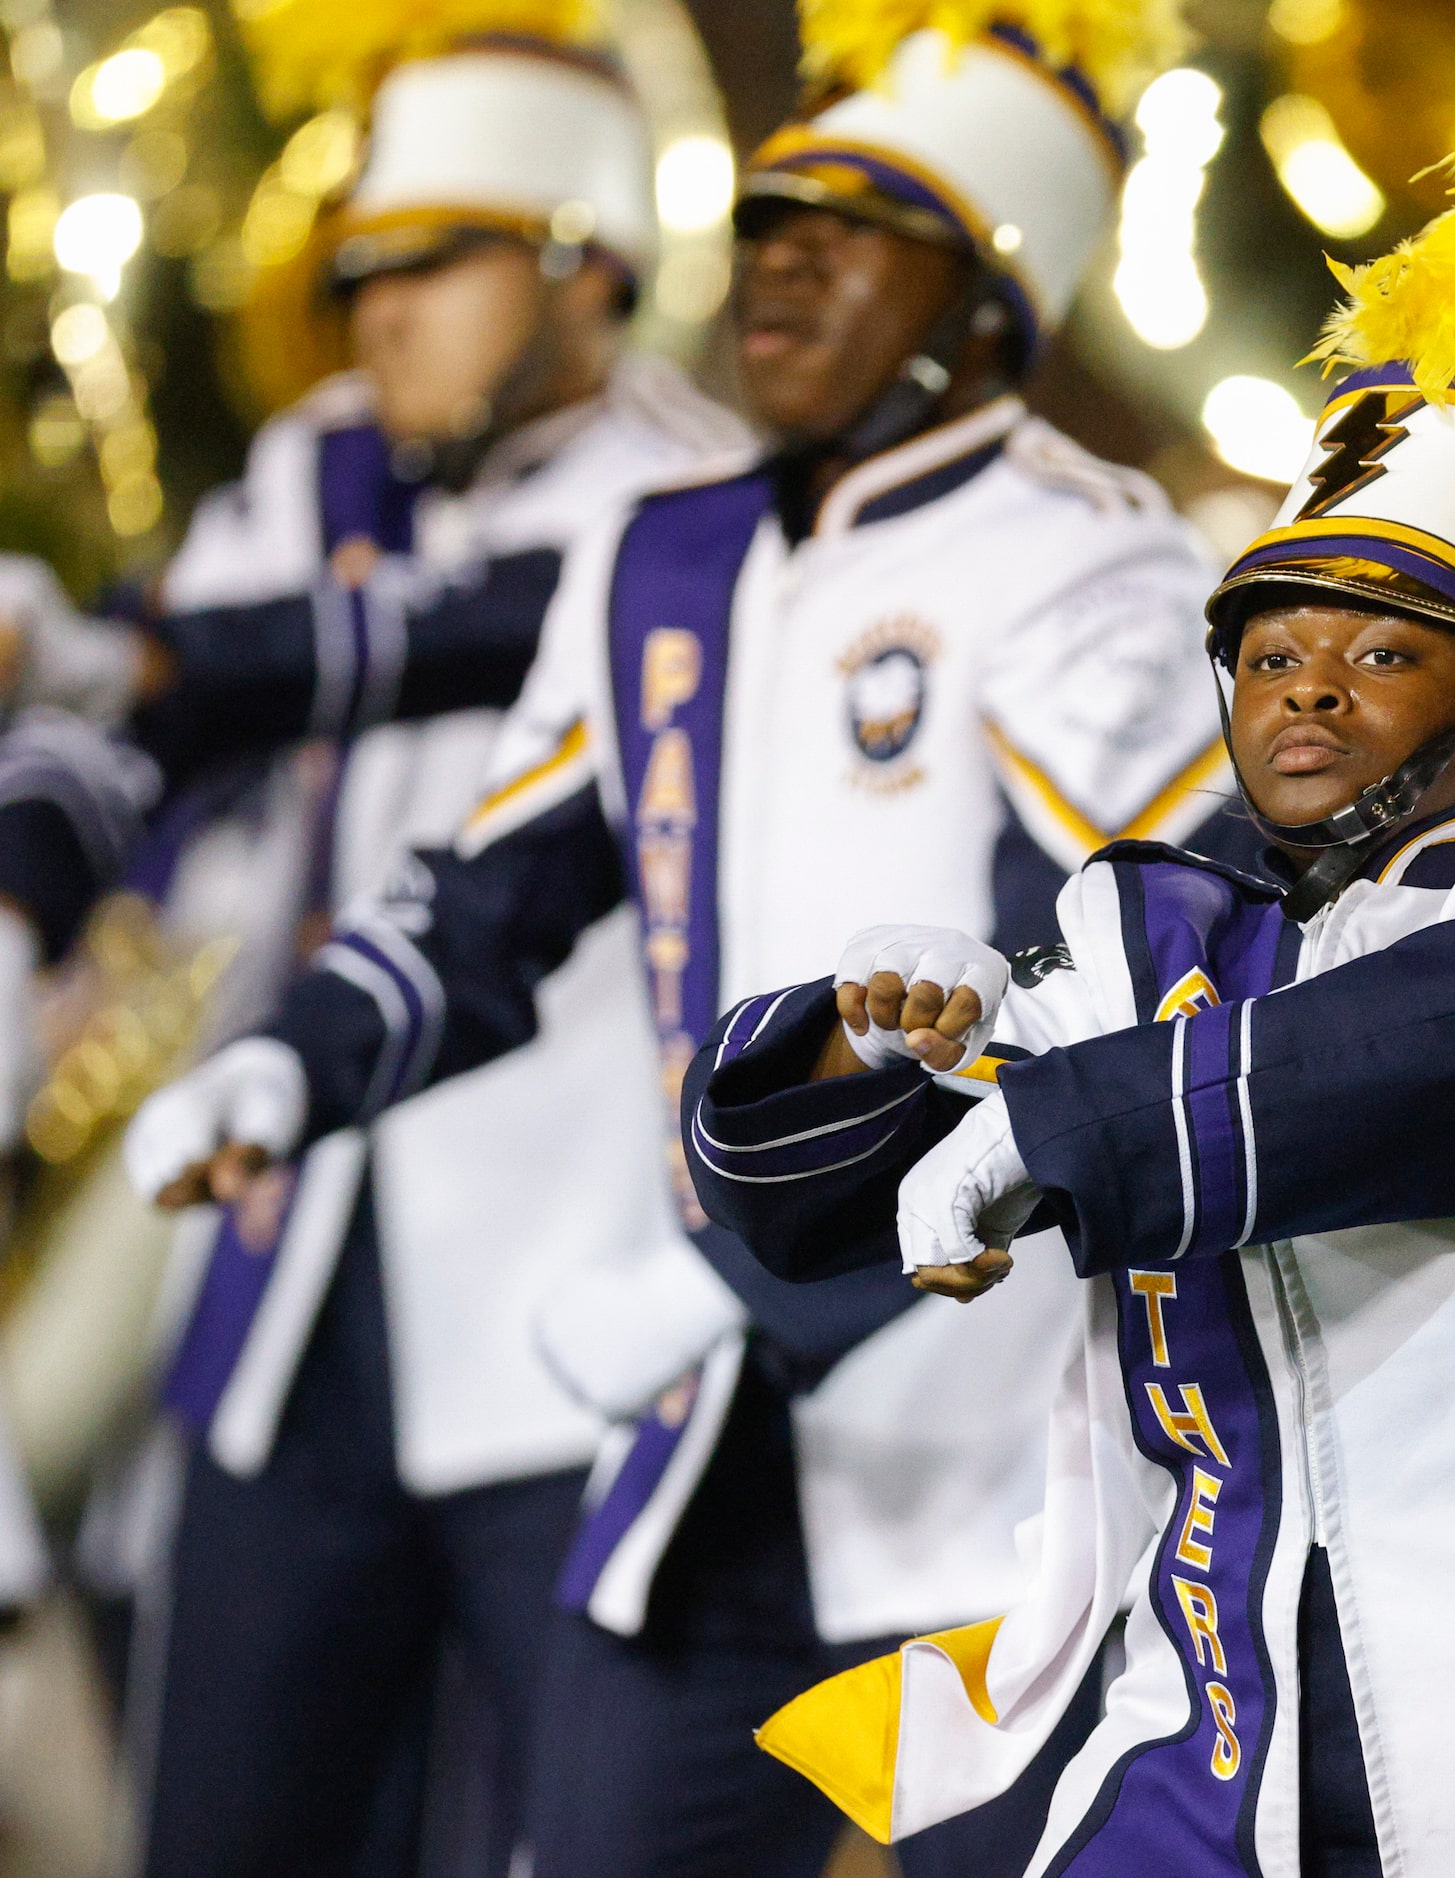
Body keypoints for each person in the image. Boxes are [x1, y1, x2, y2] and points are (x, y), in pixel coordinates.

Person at [716, 46, 1455, 1875]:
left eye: (1384, 651)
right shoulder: (1171, 928)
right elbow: (798, 1199)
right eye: (1271, 650)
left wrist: (1058, 1122)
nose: (1308, 689)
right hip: (1212, 1746)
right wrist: (885, 1034)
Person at [125, 0, 1228, 1872]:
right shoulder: (670, 553)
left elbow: (1111, 982)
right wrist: (288, 1061)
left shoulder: (1098, 560)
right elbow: (498, 891)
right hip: (708, 1453)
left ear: (985, 304)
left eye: (857, 229)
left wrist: (748, 1282)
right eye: (777, 214)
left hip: (1000, 1456)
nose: (782, 260)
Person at [92, 7, 748, 1874]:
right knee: (223, 1829)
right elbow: (161, 713)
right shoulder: (327, 459)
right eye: (359, 269)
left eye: (427, 264)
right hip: (300, 1264)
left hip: (573, 1296)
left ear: (581, 264)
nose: (369, 309)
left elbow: (411, 639)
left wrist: (139, 652)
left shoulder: (695, 498)